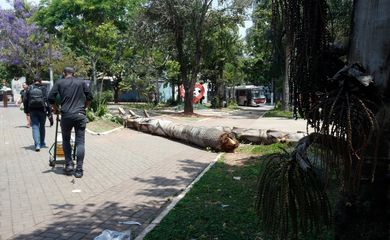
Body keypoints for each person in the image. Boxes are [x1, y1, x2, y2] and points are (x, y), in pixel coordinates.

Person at [48, 67, 93, 178]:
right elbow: (90, 96)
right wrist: (85, 107)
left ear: (64, 73)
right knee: (80, 142)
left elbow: (50, 98)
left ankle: (69, 165)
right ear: (74, 73)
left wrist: (56, 108)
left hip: (66, 115)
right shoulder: (81, 82)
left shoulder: (59, 82)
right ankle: (79, 169)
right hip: (80, 115)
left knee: (66, 140)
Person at [24, 75, 50, 151]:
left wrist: (26, 111)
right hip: (42, 110)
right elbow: (47, 100)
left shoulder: (29, 88)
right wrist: (49, 112)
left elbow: (25, 100)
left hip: (32, 110)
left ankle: (37, 145)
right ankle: (42, 143)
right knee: (42, 126)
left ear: (33, 81)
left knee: (35, 127)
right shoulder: (44, 88)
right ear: (40, 81)